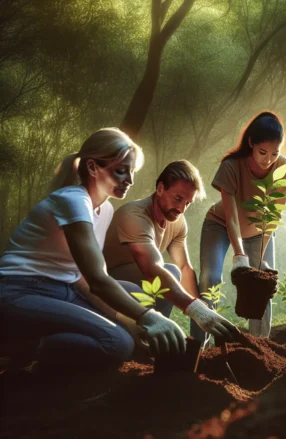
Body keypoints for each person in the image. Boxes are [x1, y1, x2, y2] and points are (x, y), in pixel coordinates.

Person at [0, 128, 185, 383]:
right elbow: (98, 279)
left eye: (132, 171)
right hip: (21, 291)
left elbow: (84, 281)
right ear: (93, 167)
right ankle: (20, 349)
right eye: (121, 170)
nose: (129, 179)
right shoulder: (73, 200)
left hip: (67, 288)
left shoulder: (105, 209)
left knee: (134, 297)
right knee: (116, 342)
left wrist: (130, 322)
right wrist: (146, 317)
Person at [103, 160, 237, 343]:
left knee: (174, 271)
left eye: (188, 203)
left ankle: (154, 341)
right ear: (160, 189)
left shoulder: (178, 222)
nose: (181, 209)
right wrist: (196, 309)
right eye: (178, 198)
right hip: (106, 284)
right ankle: (146, 338)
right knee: (165, 273)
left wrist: (201, 321)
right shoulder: (134, 215)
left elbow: (184, 268)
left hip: (141, 281)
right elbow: (151, 269)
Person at [200, 112, 286, 338]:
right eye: (262, 152)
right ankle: (201, 345)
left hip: (259, 231)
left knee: (262, 284)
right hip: (220, 224)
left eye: (274, 153)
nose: (268, 159)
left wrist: (261, 258)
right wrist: (240, 256)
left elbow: (272, 217)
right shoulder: (232, 166)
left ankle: (261, 347)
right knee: (210, 279)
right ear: (251, 143)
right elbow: (231, 216)